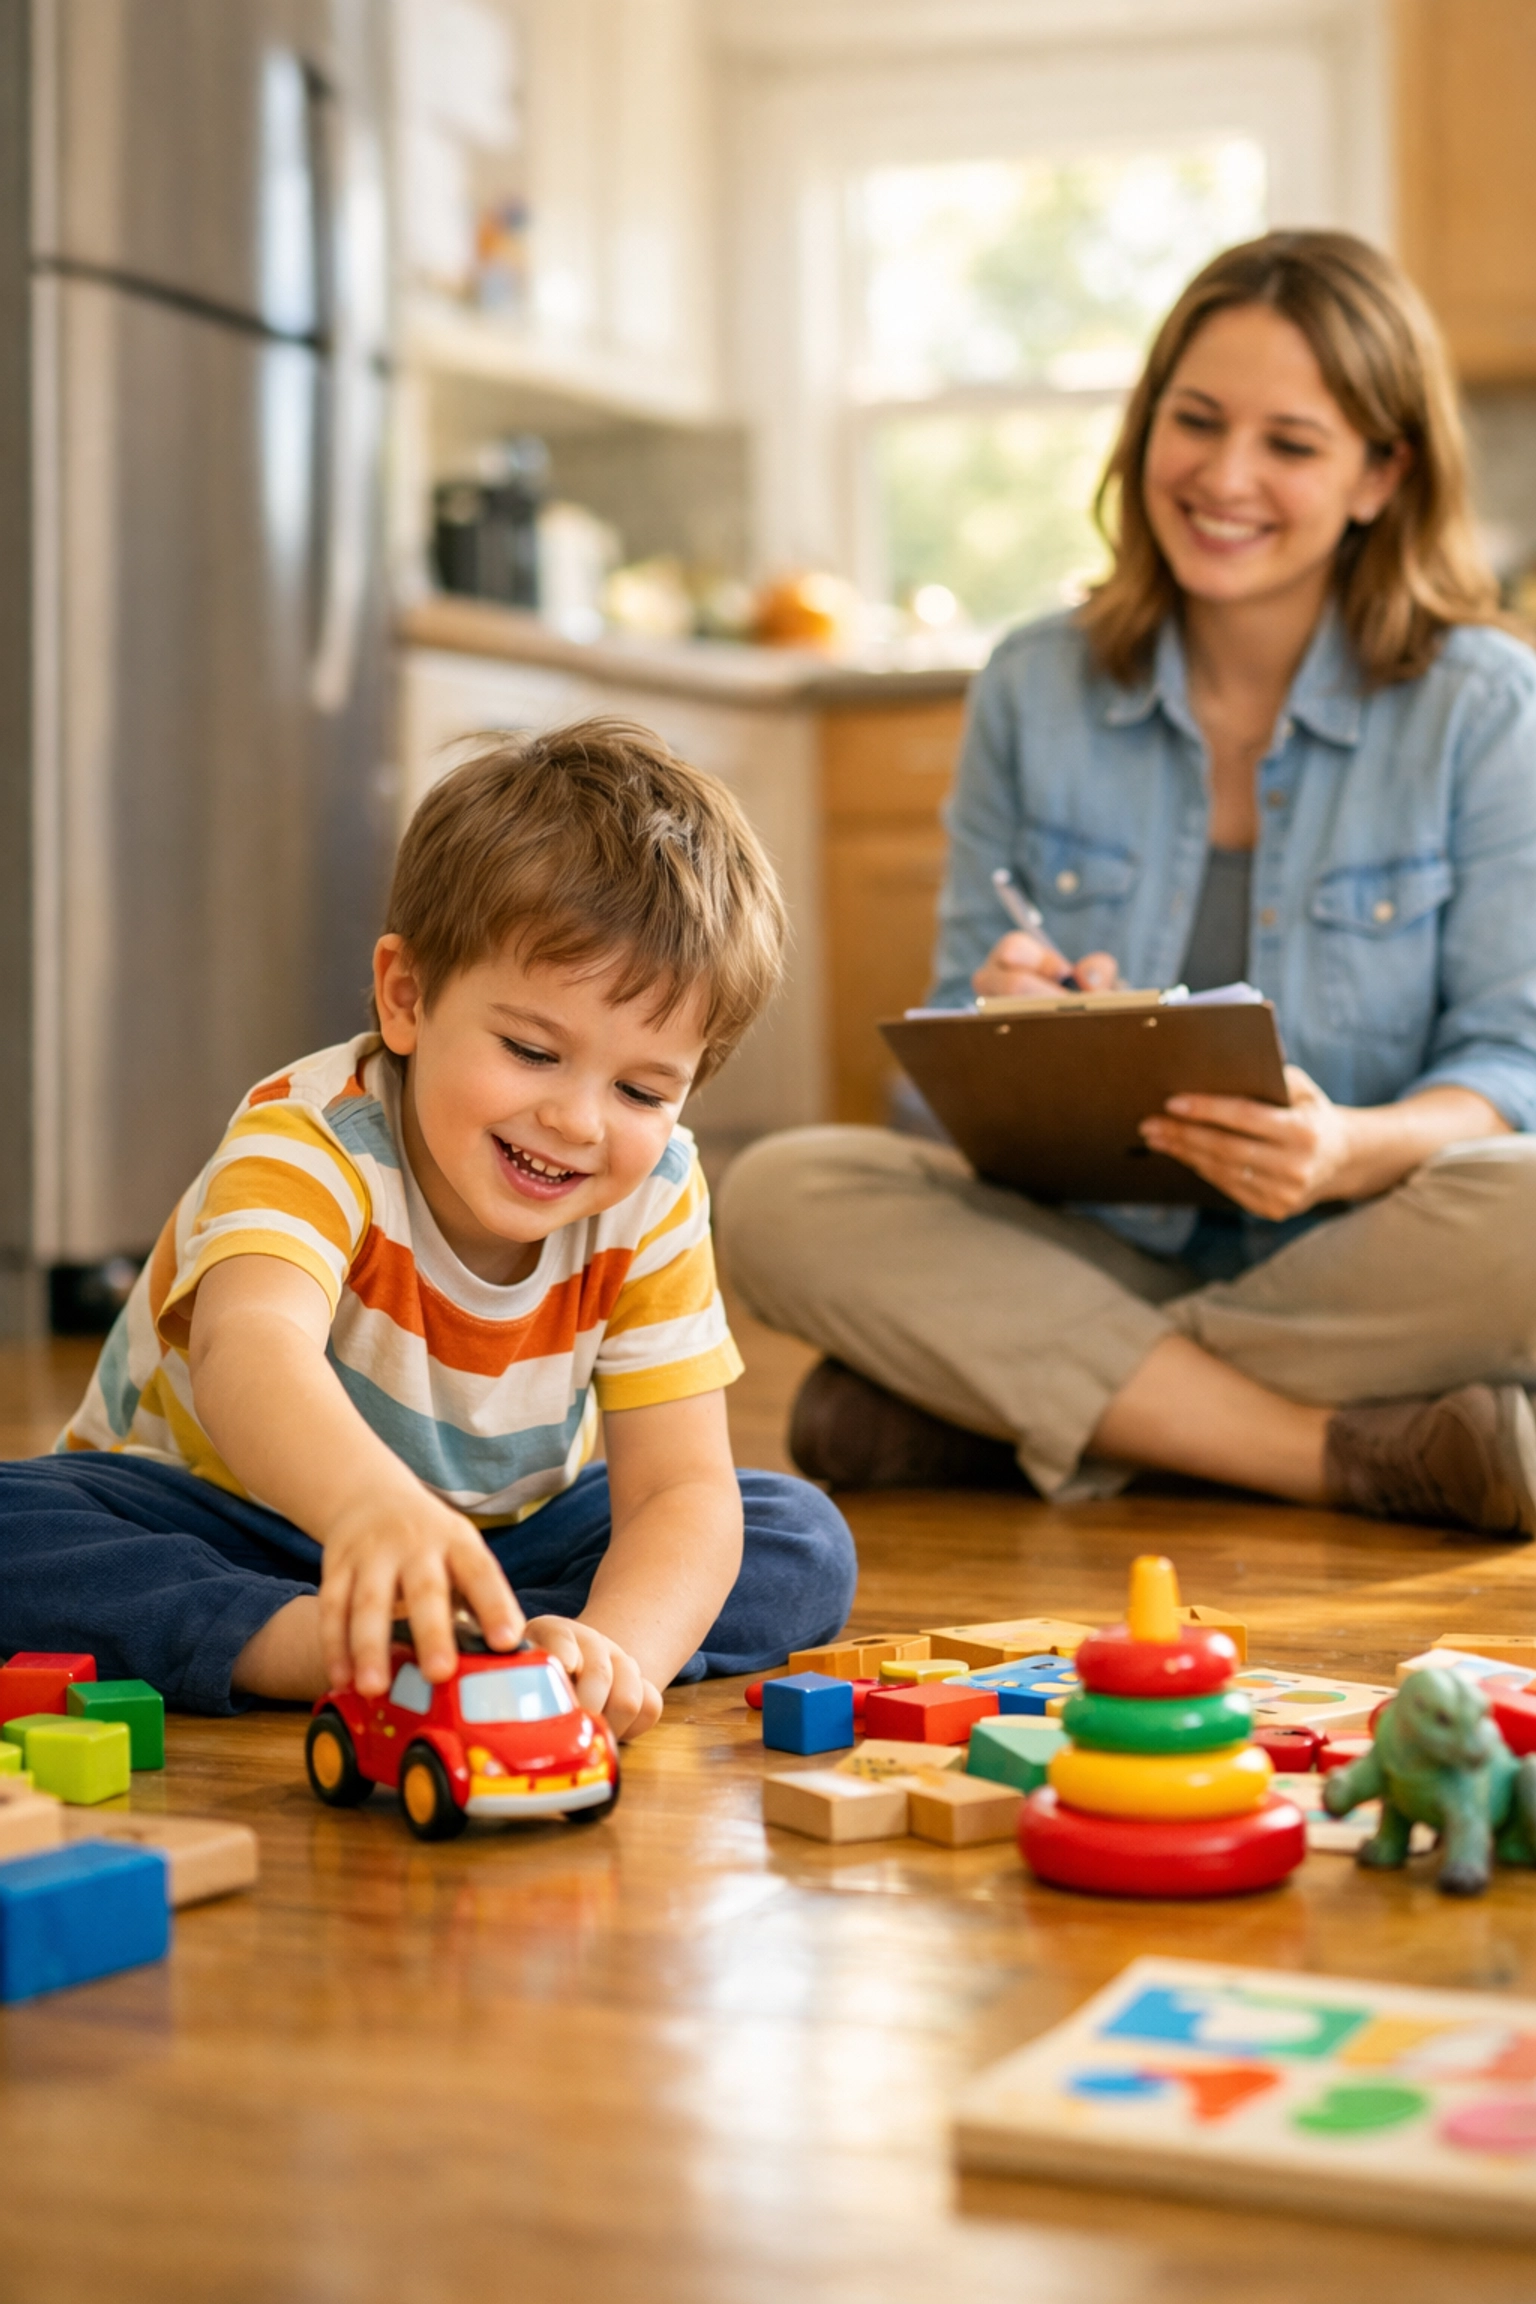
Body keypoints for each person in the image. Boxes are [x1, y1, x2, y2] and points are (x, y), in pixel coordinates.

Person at [718, 230, 1536, 1537]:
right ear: (1146, 423)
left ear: (1381, 474)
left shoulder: (1483, 704)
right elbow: (952, 1041)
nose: (1225, 476)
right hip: (1086, 1241)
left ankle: (1003, 1406)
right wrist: (1003, 1020)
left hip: (1362, 1248)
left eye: (1291, 443)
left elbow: (1509, 1065)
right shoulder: (1033, 687)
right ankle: (1318, 1451)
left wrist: (1345, 1150)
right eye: (1195, 420)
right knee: (773, 1197)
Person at [0, 722, 856, 1734]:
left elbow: (677, 1485)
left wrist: (621, 1650)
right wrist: (369, 1509)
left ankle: (503, 1651)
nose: (579, 1122)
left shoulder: (655, 1190)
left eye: (641, 1090)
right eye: (532, 1051)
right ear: (406, 998)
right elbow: (248, 1351)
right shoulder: (311, 1139)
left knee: (794, 1535)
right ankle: (308, 1643)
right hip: (222, 1523)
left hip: (490, 1545)